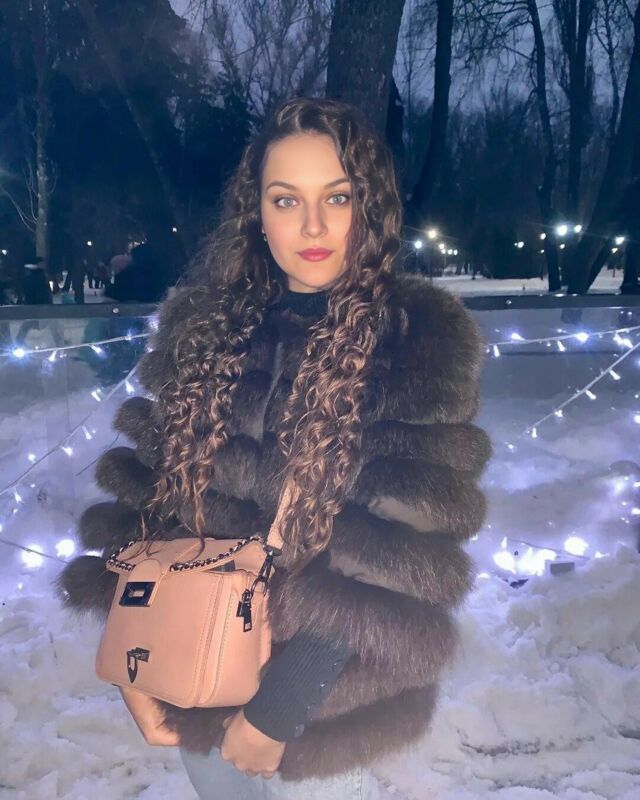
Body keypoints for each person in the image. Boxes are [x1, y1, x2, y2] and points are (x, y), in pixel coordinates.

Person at [57, 97, 492, 798]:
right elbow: (144, 504)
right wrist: (133, 658)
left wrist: (279, 710)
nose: (313, 226)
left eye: (337, 197)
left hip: (323, 713)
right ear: (256, 212)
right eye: (286, 200)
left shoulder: (415, 338)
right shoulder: (204, 327)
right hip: (192, 672)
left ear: (369, 207)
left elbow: (400, 554)